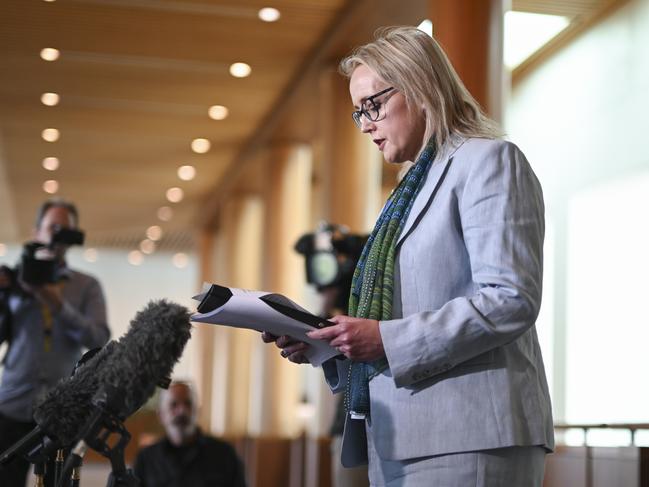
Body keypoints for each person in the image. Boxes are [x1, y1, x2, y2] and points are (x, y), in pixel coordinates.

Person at [264, 26, 554, 486]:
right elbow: (397, 318)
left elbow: (510, 298)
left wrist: (385, 340)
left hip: (471, 436)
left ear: (419, 86)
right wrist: (328, 347)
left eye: (372, 105)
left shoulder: (488, 162)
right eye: (357, 112)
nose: (364, 125)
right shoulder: (407, 194)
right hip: (400, 437)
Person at [0, 198, 110, 487]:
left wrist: (58, 304)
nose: (57, 236)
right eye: (52, 228)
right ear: (37, 232)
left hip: (61, 409)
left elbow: (99, 338)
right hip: (11, 405)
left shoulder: (86, 285)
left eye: (65, 230)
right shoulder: (12, 281)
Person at [134, 381, 246, 487]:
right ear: (161, 415)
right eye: (173, 405)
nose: (182, 411)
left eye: (188, 403)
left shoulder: (224, 455)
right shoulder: (146, 459)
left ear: (198, 411)